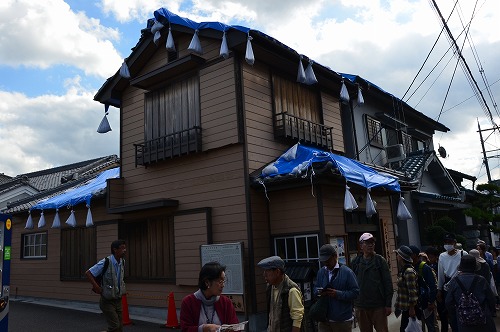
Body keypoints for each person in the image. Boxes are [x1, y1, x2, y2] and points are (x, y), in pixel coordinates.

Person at [351, 233, 393, 332]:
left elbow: (388, 283)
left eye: (372, 242)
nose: (371, 245)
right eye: (367, 243)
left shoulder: (380, 261)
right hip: (361, 305)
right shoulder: (356, 262)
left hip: (378, 305)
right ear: (361, 245)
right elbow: (352, 284)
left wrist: (388, 304)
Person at [180, 262, 239, 332]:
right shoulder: (188, 302)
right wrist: (204, 328)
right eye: (220, 281)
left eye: (224, 281)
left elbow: (235, 326)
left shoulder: (226, 302)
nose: (223, 285)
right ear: (207, 282)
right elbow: (185, 329)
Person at [313, 244, 359, 332]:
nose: (326, 263)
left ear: (335, 256)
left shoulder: (347, 272)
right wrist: (319, 292)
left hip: (342, 320)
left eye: (328, 260)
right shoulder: (321, 272)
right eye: (323, 261)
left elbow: (355, 292)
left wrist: (338, 294)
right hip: (324, 318)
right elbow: (315, 289)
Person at [445, 254, 496, 332]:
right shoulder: (481, 280)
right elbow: (491, 299)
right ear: (475, 267)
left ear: (461, 267)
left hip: (463, 320)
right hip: (483, 319)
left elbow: (448, 301)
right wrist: (491, 312)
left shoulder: (455, 281)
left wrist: (455, 314)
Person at [85, 239, 127, 332]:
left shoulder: (122, 262)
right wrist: (96, 287)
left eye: (125, 248)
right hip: (107, 300)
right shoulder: (106, 262)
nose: (125, 250)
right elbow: (88, 273)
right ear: (115, 250)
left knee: (119, 327)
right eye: (122, 248)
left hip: (118, 299)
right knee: (115, 325)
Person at [257, 255, 304, 332]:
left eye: (267, 271)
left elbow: (297, 319)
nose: (264, 275)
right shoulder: (270, 287)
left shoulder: (291, 290)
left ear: (277, 272)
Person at [437, 232, 466, 332]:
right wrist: (439, 289)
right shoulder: (442, 256)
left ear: (454, 243)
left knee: (462, 309)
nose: (447, 244)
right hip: (448, 285)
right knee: (450, 311)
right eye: (445, 242)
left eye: (449, 242)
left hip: (461, 285)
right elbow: (440, 274)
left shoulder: (463, 254)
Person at [409, 245, 437, 332]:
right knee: (419, 326)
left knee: (430, 325)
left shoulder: (424, 268)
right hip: (416, 303)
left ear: (414, 255)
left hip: (426, 303)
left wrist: (431, 302)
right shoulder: (409, 267)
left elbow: (432, 286)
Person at [394, 245, 419, 332]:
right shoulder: (404, 270)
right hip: (405, 307)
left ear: (401, 257)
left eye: (397, 255)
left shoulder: (408, 272)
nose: (396, 257)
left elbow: (412, 292)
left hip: (409, 308)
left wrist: (412, 309)